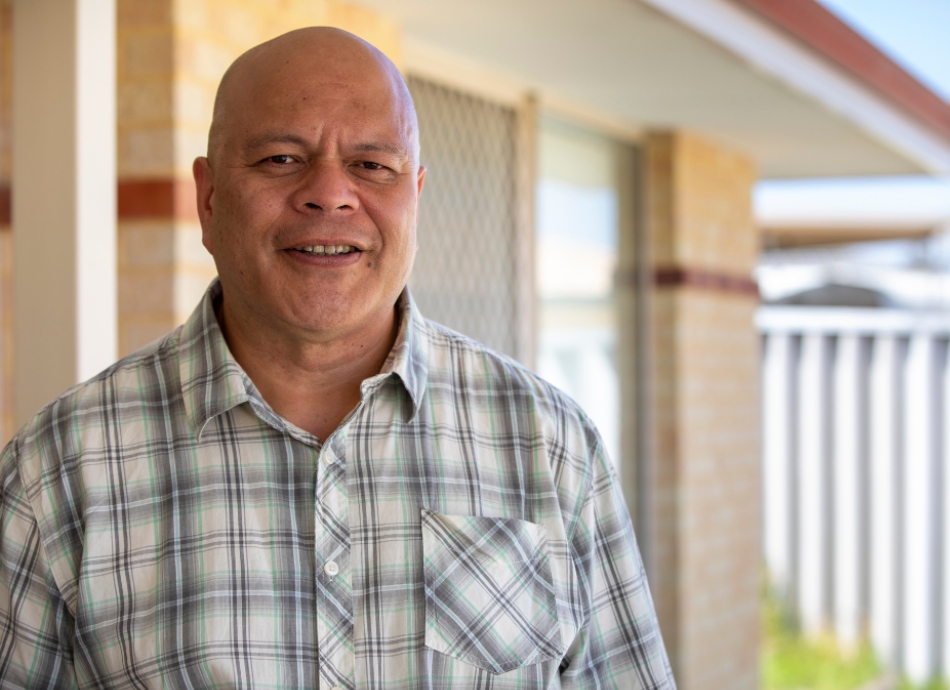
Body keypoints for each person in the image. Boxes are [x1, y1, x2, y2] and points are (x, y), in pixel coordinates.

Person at [0, 27, 674, 689]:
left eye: (372, 165)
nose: (330, 193)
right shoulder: (59, 471)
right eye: (280, 159)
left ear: (415, 197)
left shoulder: (550, 445)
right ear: (209, 200)